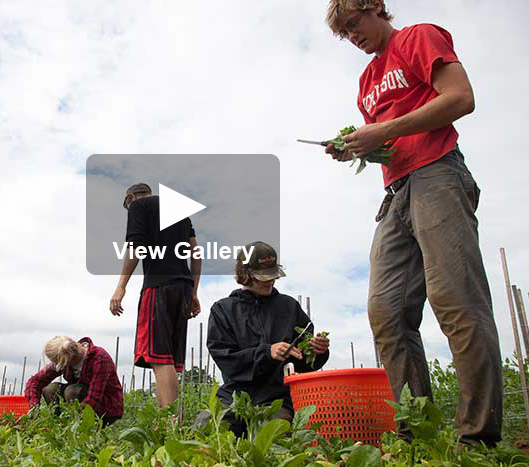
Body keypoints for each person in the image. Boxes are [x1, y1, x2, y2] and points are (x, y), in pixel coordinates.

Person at [324, 0, 502, 446]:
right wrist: (355, 146)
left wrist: (381, 132)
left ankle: (477, 437)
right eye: (344, 34)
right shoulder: (366, 81)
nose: (352, 36)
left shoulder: (417, 38)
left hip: (438, 173)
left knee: (455, 299)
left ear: (376, 8)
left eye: (354, 24)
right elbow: (386, 141)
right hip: (396, 191)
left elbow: (461, 98)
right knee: (385, 311)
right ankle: (416, 432)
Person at [202, 241, 329, 437]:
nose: (270, 282)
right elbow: (226, 360)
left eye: (273, 275)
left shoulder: (289, 307)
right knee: (206, 426)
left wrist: (317, 351)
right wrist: (266, 352)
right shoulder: (223, 310)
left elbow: (305, 363)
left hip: (276, 398)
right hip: (234, 397)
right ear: (245, 274)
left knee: (271, 435)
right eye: (264, 277)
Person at [109, 183, 201, 408]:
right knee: (165, 359)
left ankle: (172, 426)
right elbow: (196, 254)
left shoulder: (139, 206)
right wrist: (194, 292)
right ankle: (163, 420)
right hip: (183, 288)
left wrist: (121, 286)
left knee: (158, 358)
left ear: (132, 197)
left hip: (158, 287)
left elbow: (135, 247)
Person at [24, 336, 123, 426]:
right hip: (80, 402)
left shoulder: (99, 358)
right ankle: (57, 424)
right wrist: (34, 407)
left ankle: (81, 427)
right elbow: (35, 381)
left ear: (68, 360)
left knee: (71, 391)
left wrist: (75, 424)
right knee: (50, 389)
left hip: (106, 409)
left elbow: (94, 397)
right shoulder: (65, 356)